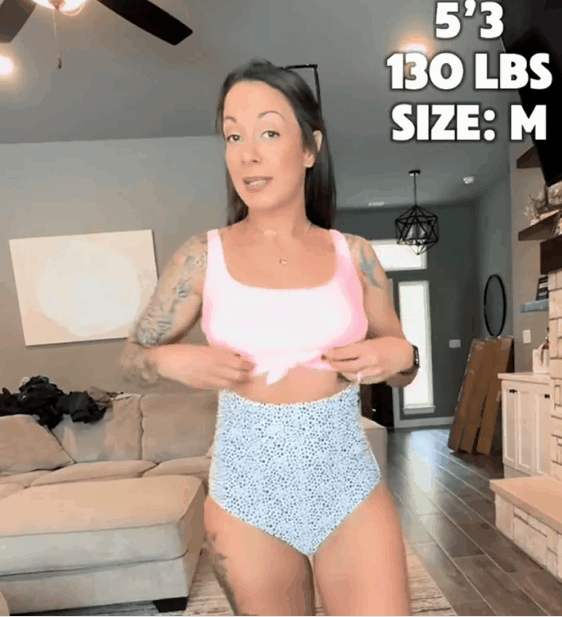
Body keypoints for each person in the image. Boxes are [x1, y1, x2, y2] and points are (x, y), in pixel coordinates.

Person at [118, 58, 418, 616]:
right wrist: (169, 362)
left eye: (270, 133)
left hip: (348, 483)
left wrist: (399, 352)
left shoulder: (355, 256)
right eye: (233, 136)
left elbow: (404, 367)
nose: (247, 154)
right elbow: (131, 357)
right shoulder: (201, 258)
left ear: (310, 148)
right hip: (246, 493)